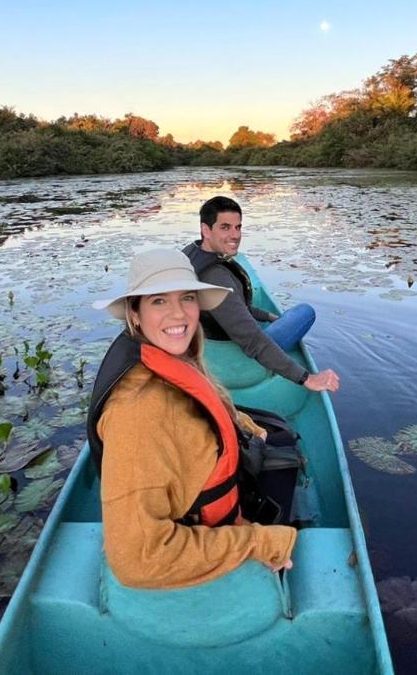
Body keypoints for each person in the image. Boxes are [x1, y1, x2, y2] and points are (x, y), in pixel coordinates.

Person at [87, 248, 297, 589]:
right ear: (134, 313)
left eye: (187, 298)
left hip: (209, 496)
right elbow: (138, 560)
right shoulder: (137, 415)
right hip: (204, 530)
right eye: (158, 301)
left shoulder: (164, 354)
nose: (178, 315)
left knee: (277, 432)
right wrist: (260, 542)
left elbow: (202, 404)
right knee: (285, 458)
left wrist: (243, 424)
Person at [183, 196, 340, 392]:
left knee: (276, 318)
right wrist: (306, 378)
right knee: (305, 312)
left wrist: (268, 316)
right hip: (235, 363)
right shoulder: (216, 278)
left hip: (209, 346)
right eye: (225, 227)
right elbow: (252, 340)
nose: (235, 235)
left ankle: (275, 319)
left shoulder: (191, 252)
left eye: (238, 227)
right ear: (206, 230)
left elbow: (232, 308)